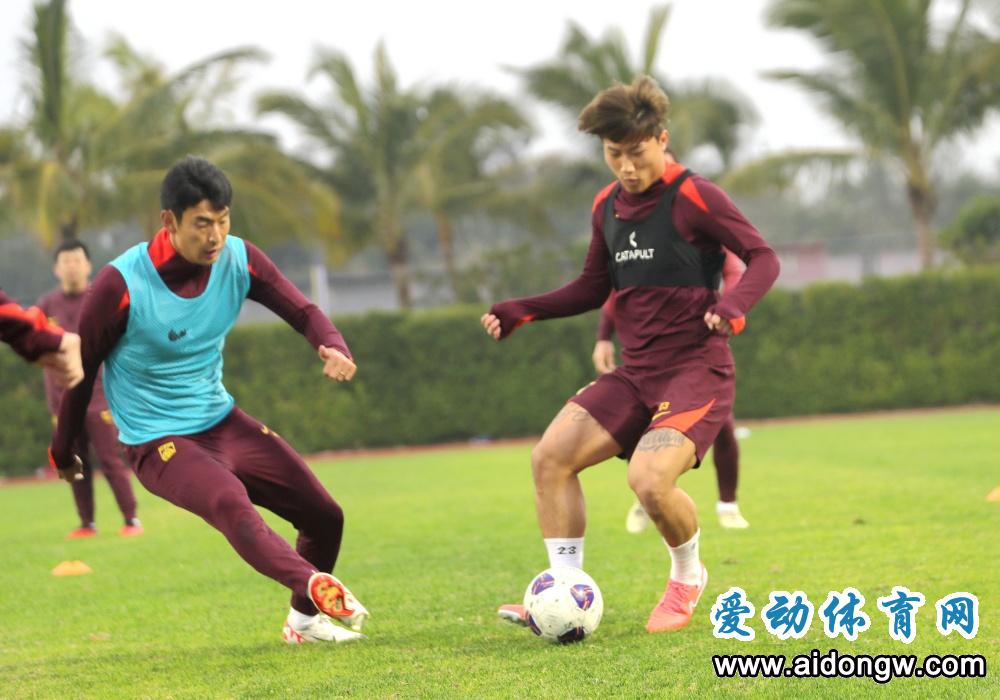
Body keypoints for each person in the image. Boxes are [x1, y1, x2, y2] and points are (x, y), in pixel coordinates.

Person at [481, 76, 779, 633]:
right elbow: (593, 288)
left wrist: (733, 305)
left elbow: (764, 257)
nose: (626, 167)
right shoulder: (606, 206)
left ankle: (688, 577)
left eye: (637, 152)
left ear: (662, 139)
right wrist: (524, 309)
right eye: (613, 153)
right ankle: (563, 591)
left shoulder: (694, 196)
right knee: (550, 457)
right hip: (636, 373)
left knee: (648, 480)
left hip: (696, 370)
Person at [48, 156, 368, 644]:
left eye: (223, 220)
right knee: (229, 502)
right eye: (201, 223)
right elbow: (81, 370)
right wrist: (63, 447)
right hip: (157, 440)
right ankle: (312, 584)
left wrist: (331, 343)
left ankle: (304, 622)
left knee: (325, 515)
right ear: (169, 221)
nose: (215, 235)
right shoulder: (120, 285)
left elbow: (303, 311)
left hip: (222, 422)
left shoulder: (240, 259)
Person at [596, 250, 751, 533]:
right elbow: (616, 290)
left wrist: (731, 308)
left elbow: (734, 271)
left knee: (723, 426)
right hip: (652, 356)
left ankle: (728, 505)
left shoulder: (702, 233)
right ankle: (646, 495)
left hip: (699, 353)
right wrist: (603, 337)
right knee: (644, 427)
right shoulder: (639, 241)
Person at [37, 240, 142, 539]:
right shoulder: (46, 306)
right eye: (65, 261)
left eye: (77, 260)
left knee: (110, 459)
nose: (71, 266)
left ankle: (131, 519)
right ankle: (87, 524)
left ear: (88, 265)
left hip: (98, 397)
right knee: (72, 461)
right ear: (56, 269)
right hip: (61, 400)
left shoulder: (101, 298)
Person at [1, 289, 83, 389]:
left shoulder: (91, 298)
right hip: (59, 386)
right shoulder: (49, 302)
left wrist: (29, 336)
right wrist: (31, 335)